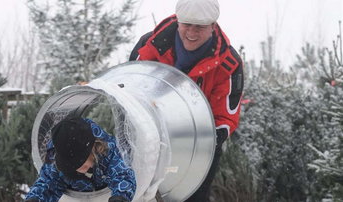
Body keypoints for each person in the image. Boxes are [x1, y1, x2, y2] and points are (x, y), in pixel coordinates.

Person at [129, 0, 244, 201]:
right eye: (186, 24)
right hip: (149, 136)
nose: (191, 32)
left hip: (200, 147)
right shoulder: (150, 46)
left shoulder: (228, 63)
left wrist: (201, 141)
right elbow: (129, 87)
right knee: (139, 193)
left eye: (200, 27)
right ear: (177, 20)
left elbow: (225, 117)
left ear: (213, 26)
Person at [25, 116, 136, 202]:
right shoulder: (56, 161)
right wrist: (34, 199)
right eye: (72, 165)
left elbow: (122, 174)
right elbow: (48, 184)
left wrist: (120, 197)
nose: (78, 170)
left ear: (93, 148)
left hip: (106, 192)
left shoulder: (108, 151)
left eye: (81, 163)